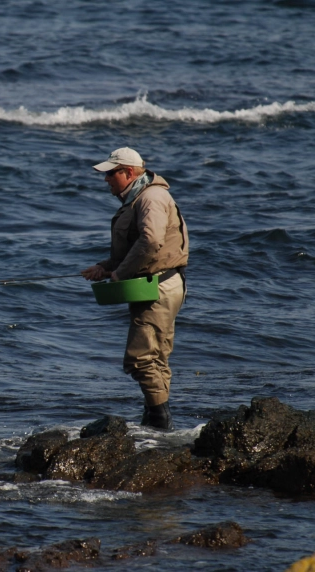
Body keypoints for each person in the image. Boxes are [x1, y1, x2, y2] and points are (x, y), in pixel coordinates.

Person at [81, 147, 188, 430]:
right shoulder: (140, 198)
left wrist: (120, 274)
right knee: (155, 357)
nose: (106, 179)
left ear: (129, 173)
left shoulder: (151, 198)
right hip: (158, 285)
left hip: (158, 288)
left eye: (110, 173)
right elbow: (133, 249)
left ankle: (159, 422)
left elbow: (151, 242)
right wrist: (104, 268)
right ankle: (157, 425)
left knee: (140, 359)